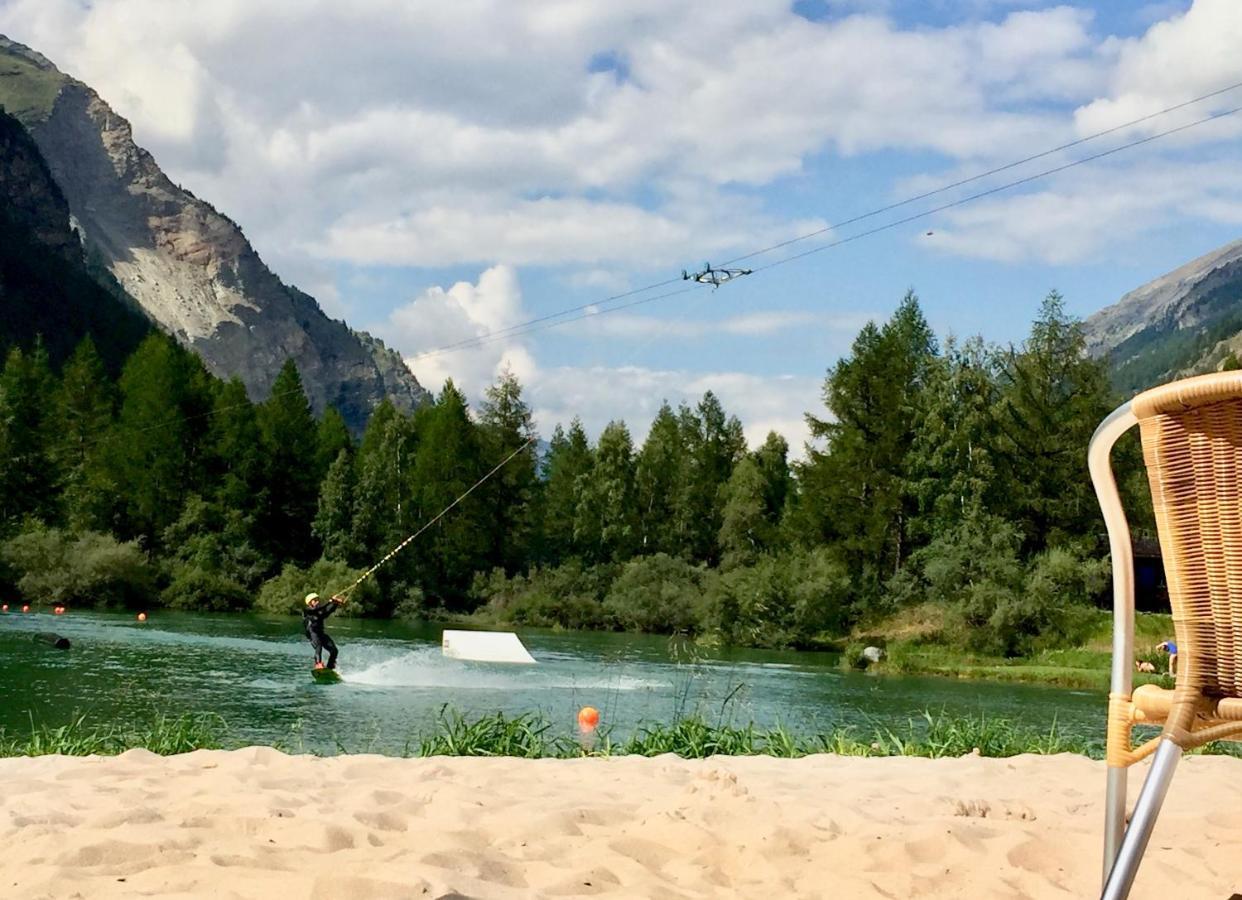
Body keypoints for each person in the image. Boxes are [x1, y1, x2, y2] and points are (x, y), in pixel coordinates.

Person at [303, 592, 345, 669]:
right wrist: (330, 601)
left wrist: (335, 603)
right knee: (318, 647)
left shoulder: (320, 612)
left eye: (317, 600)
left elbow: (328, 610)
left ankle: (330, 665)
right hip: (313, 634)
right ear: (309, 603)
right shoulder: (307, 611)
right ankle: (318, 664)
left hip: (321, 634)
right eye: (314, 600)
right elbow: (318, 609)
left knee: (334, 650)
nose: (317, 601)